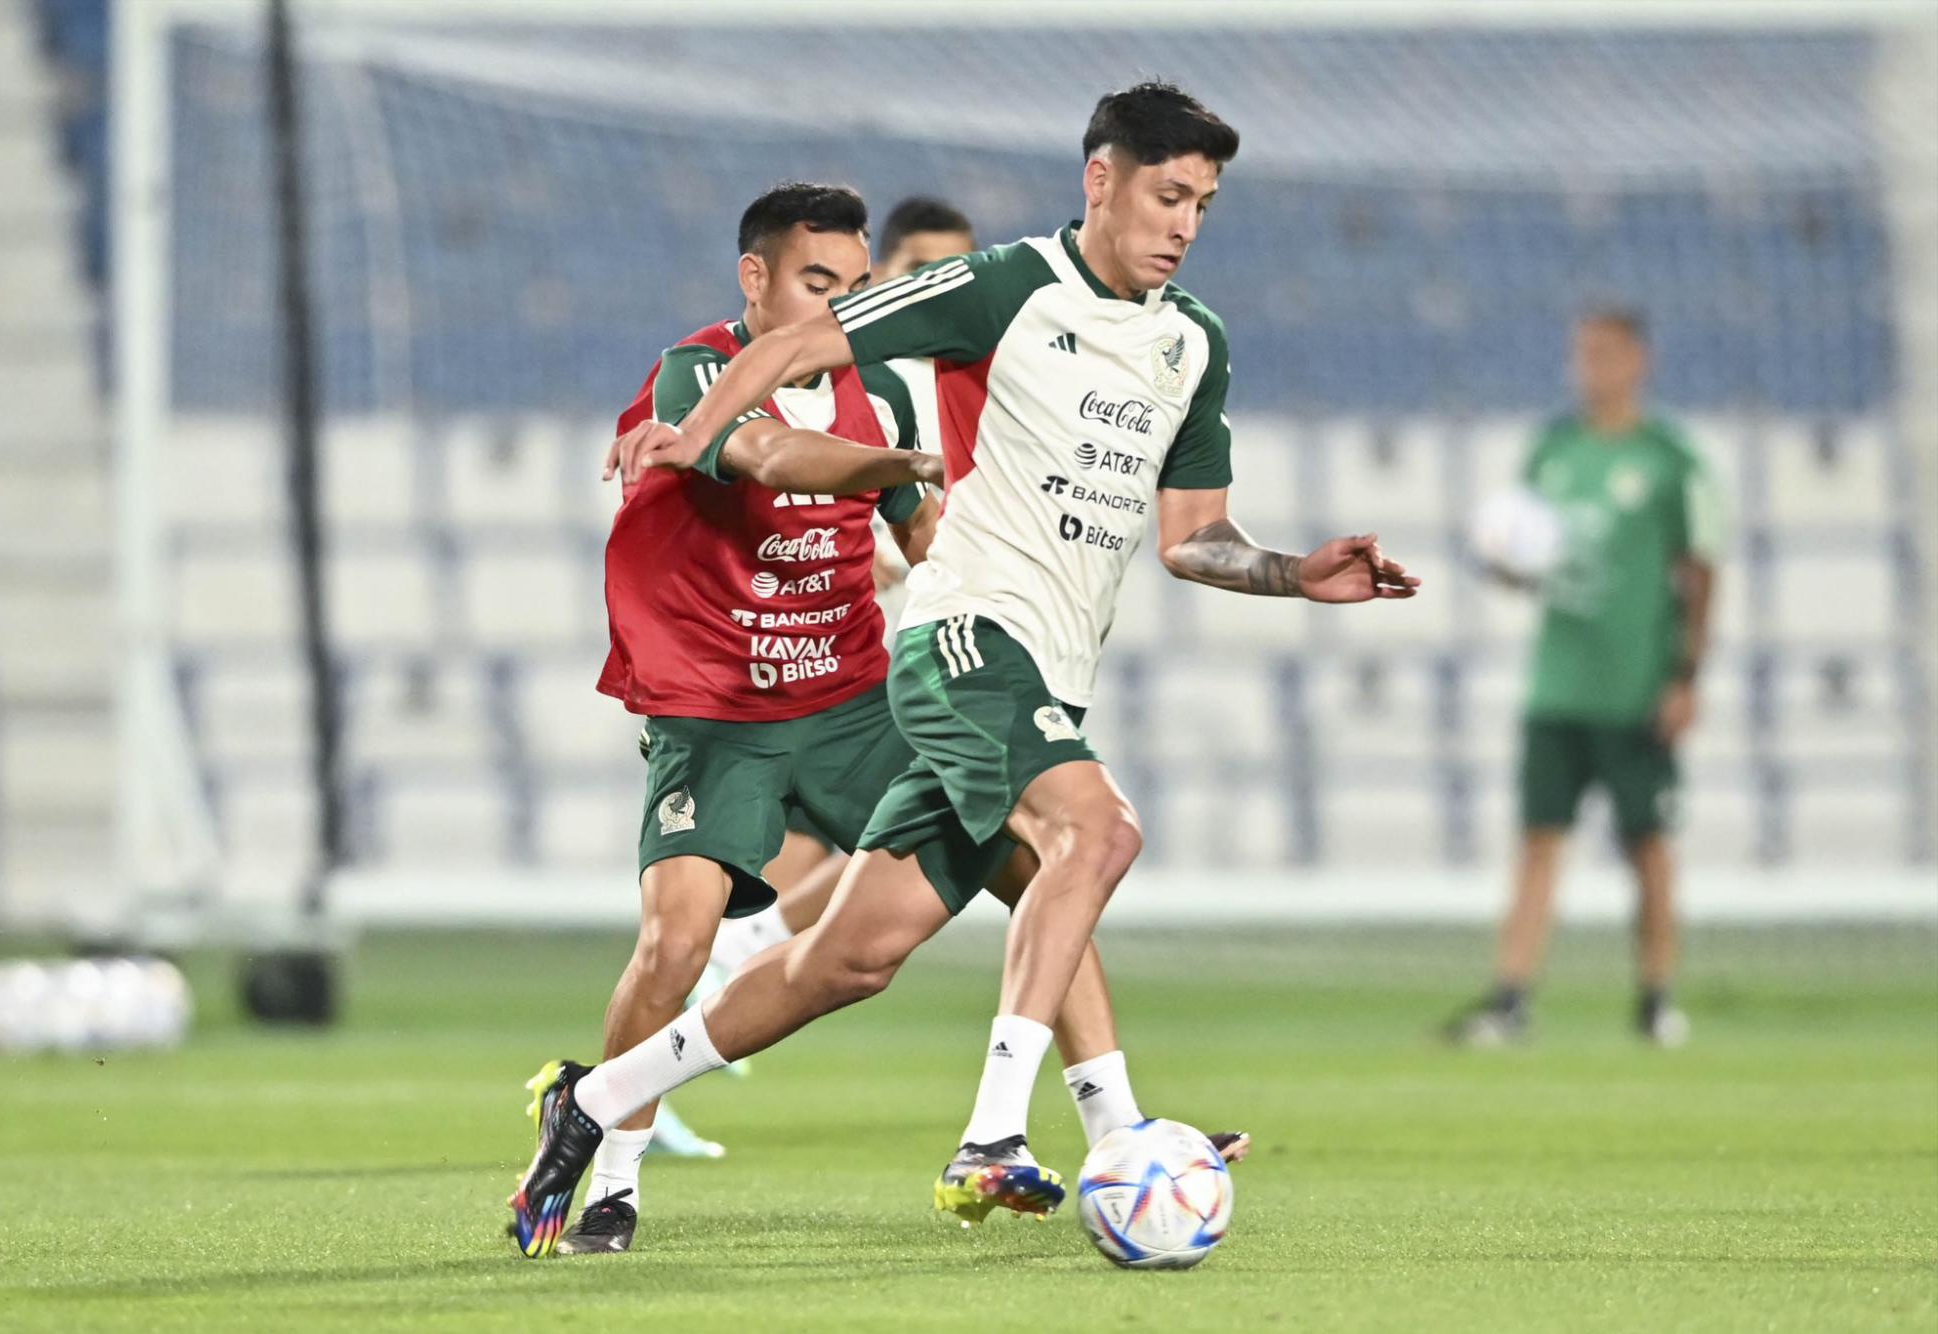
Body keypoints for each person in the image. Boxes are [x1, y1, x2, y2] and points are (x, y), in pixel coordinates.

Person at [516, 82, 1417, 1247]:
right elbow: (795, 346)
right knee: (1094, 831)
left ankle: (594, 1098)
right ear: (1100, 180)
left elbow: (1193, 536)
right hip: (961, 639)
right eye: (1166, 195)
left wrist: (1294, 572)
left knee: (848, 957)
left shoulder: (1193, 342)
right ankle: (998, 1135)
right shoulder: (1007, 285)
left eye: (1201, 203)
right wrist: (690, 437)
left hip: (1029, 669)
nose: (1184, 223)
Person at [698, 196, 981, 988]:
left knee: (948, 824)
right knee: (963, 819)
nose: (934, 289)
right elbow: (793, 481)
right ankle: (733, 967)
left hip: (880, 661)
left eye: (953, 273)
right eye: (919, 270)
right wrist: (874, 548)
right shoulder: (858, 375)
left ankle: (741, 962)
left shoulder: (962, 376)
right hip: (798, 667)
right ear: (883, 276)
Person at [1447, 309, 1723, 1048]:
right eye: (1582, 353)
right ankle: (1511, 999)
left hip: (1635, 689)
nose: (1588, 366)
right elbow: (1528, 558)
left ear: (1639, 360)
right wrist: (1505, 564)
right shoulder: (1553, 449)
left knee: (1647, 846)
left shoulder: (1670, 459)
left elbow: (1700, 572)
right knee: (1539, 840)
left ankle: (1657, 999)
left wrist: (1686, 678)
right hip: (1557, 686)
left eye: (1604, 352)